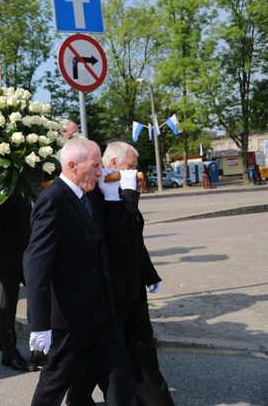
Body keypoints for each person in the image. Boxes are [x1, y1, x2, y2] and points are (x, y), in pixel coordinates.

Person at [23, 138, 135, 406]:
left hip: (103, 312)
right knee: (54, 384)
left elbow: (115, 240)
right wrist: (39, 323)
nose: (100, 171)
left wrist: (113, 199)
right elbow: (36, 263)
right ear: (72, 166)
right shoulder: (53, 200)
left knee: (120, 379)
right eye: (95, 165)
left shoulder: (92, 193)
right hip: (70, 318)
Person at [66, 142, 174, 406]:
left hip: (132, 286)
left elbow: (135, 238)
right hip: (112, 288)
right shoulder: (98, 192)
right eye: (131, 166)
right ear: (113, 165)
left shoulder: (121, 189)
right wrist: (127, 193)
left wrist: (150, 274)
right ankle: (78, 396)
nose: (135, 172)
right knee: (104, 352)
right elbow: (118, 234)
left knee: (141, 349)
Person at [0, 194, 37, 372]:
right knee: (7, 308)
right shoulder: (1, 190)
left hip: (31, 256)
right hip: (6, 258)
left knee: (38, 302)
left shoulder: (33, 188)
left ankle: (40, 349)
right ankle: (9, 354)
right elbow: (1, 218)